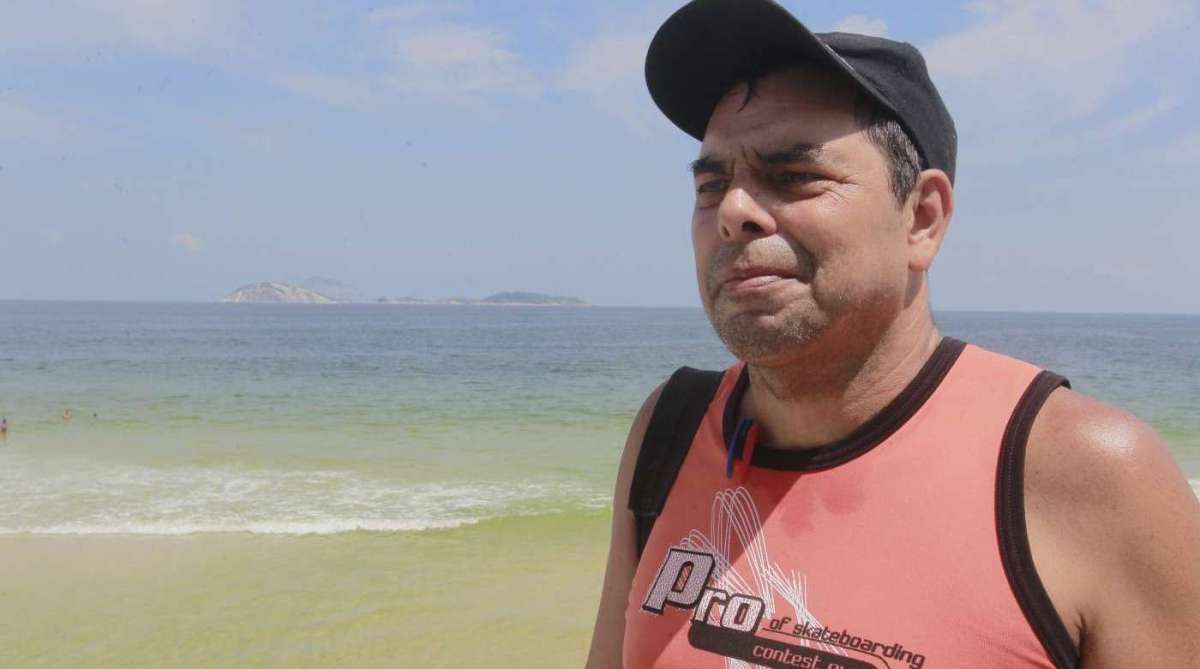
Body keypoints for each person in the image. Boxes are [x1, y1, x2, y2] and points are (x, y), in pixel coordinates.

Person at [586, 1, 1200, 667]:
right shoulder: (669, 434)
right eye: (712, 186)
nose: (734, 212)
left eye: (793, 176)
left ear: (923, 219)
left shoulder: (1087, 474)